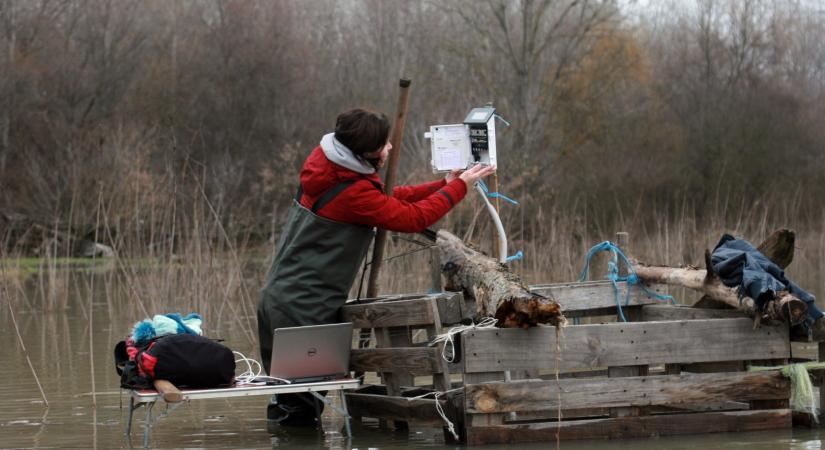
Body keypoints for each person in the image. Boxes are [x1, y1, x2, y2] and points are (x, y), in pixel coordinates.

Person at [257, 108, 495, 426]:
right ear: (367, 154)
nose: (390, 148)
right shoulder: (352, 192)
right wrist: (460, 186)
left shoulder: (331, 168)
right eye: (385, 145)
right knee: (300, 412)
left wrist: (445, 184)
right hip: (304, 309)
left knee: (294, 403)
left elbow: (389, 199)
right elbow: (412, 218)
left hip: (286, 301)